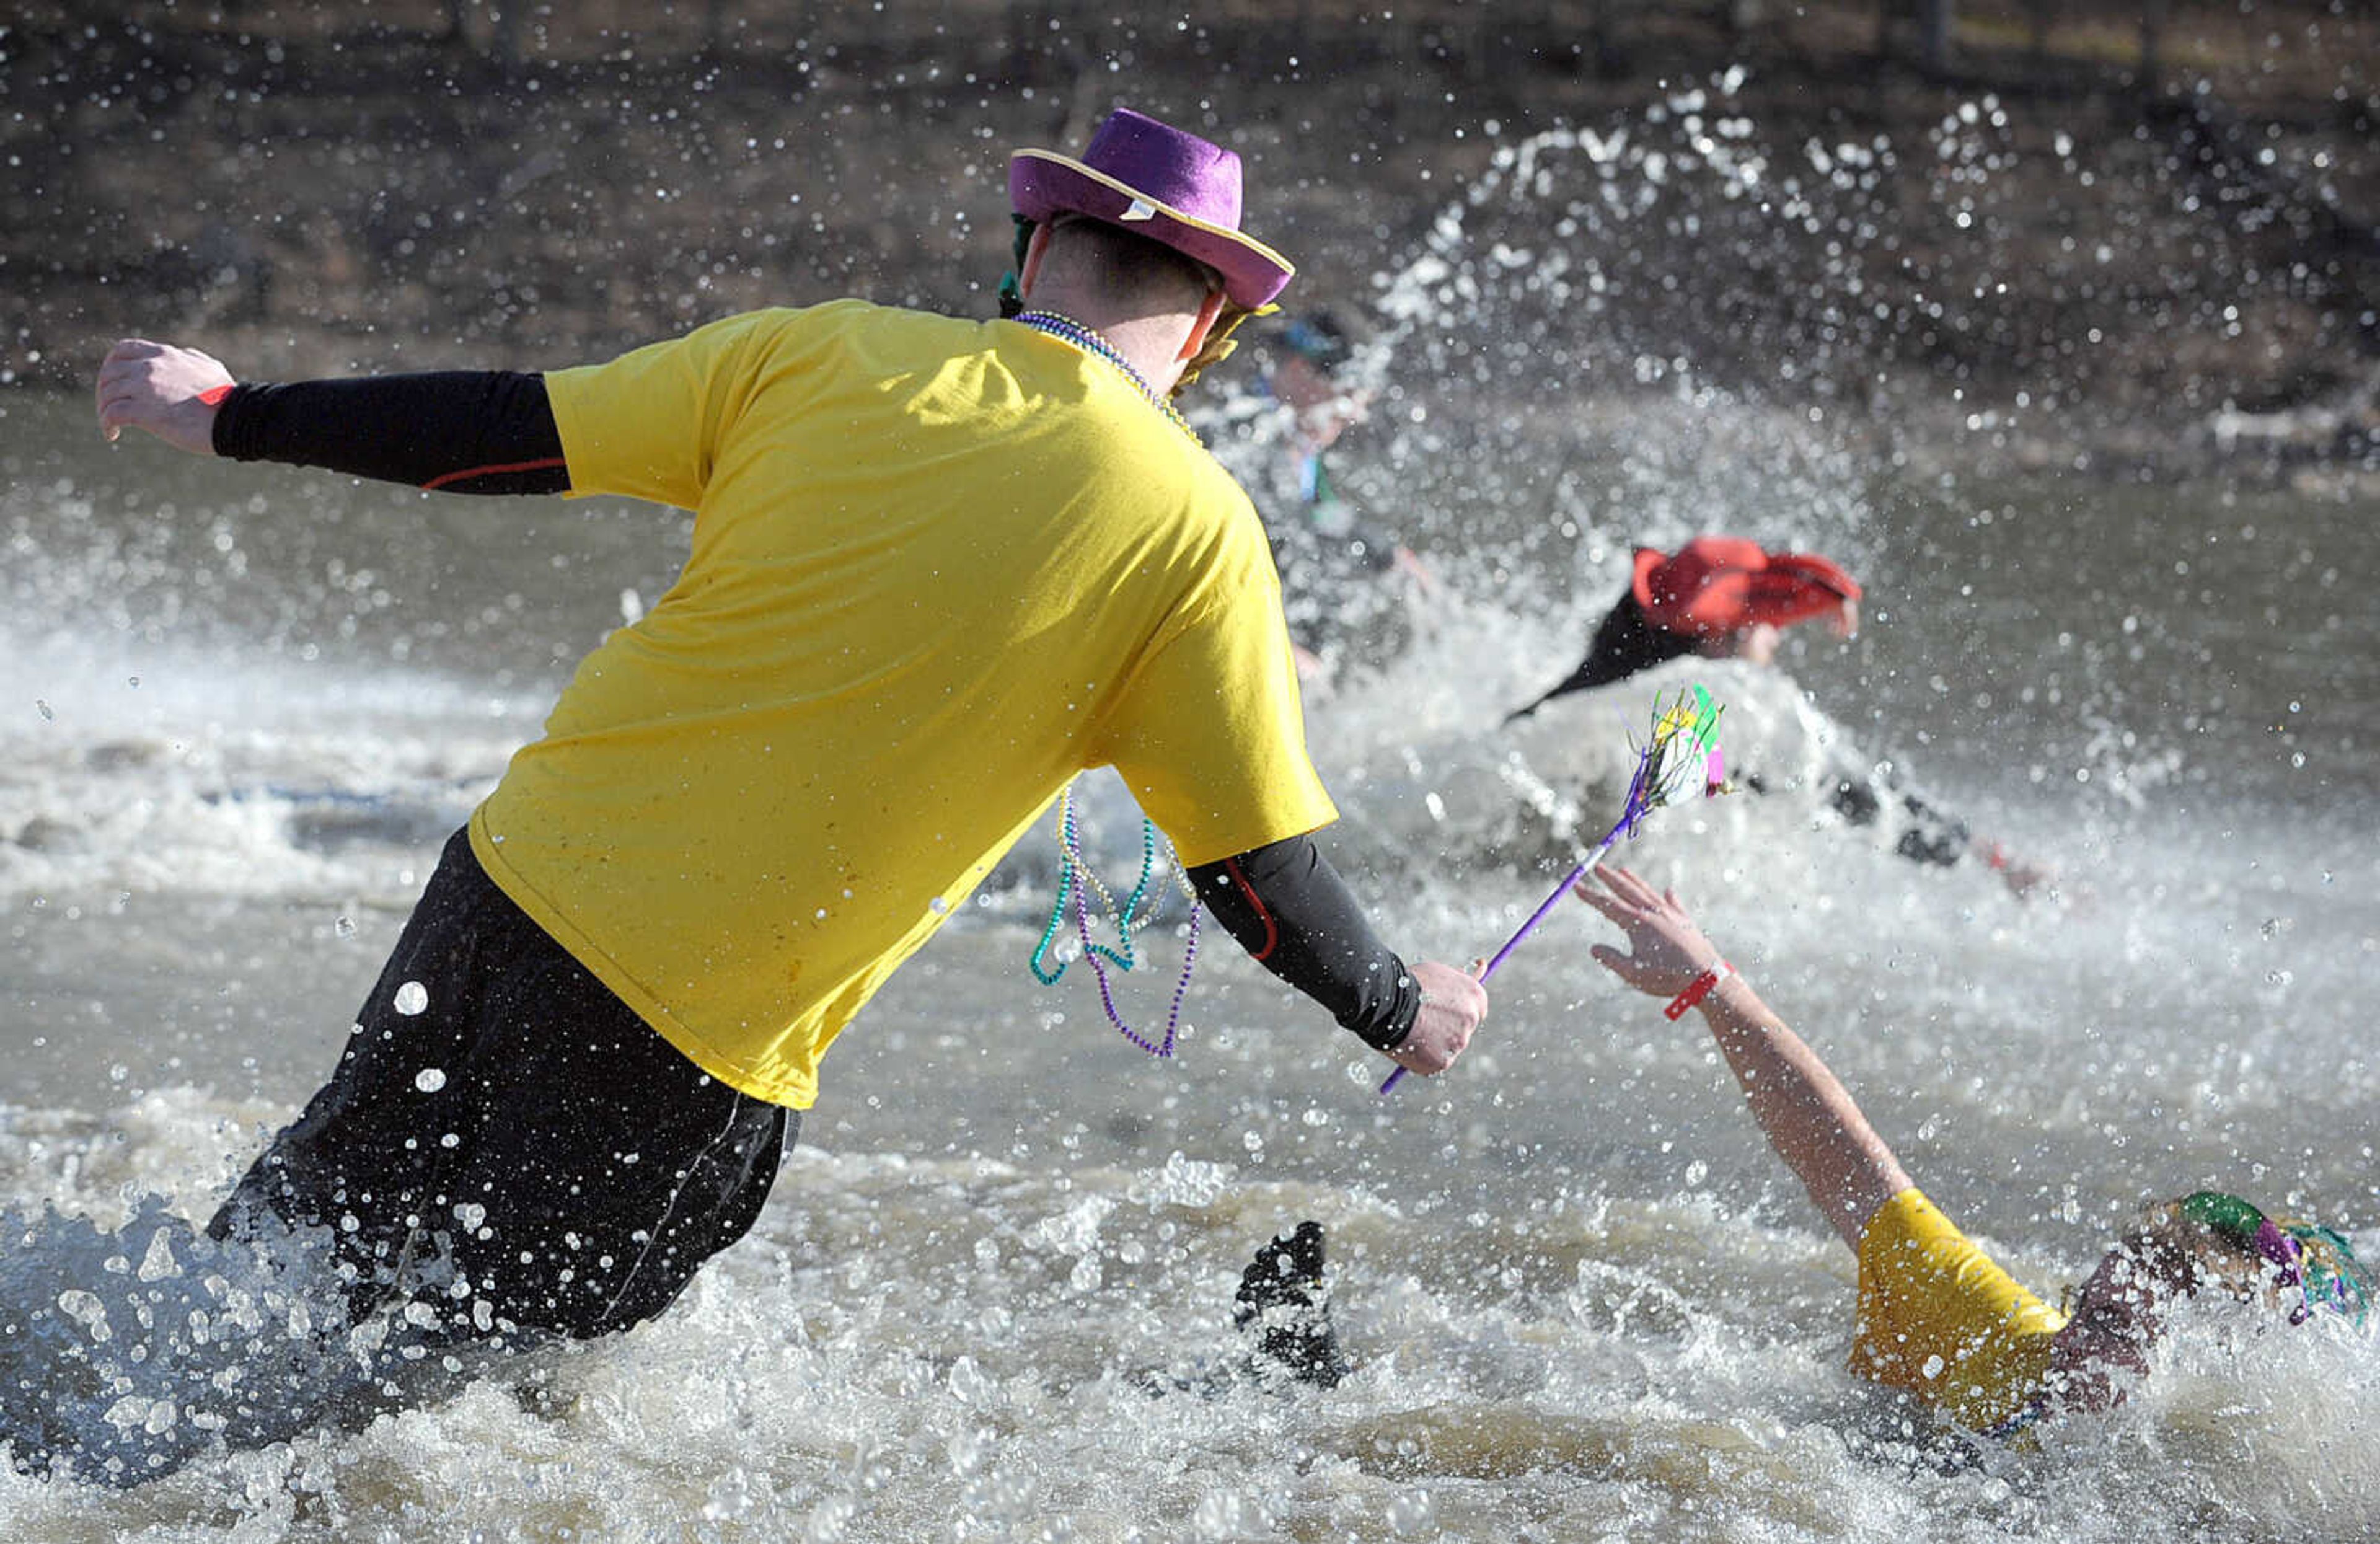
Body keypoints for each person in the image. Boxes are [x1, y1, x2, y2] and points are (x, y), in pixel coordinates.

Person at [86, 106, 1489, 1467]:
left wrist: (231, 411)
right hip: (695, 1032)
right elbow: (1255, 877)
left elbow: (504, 430)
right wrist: (1400, 1004)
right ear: (1207, 328)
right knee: (463, 1406)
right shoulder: (1194, 535)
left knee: (286, 1252)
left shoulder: (821, 350)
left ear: (1031, 249)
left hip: (508, 892)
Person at [1577, 863, 2368, 1438]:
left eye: (2120, 1333)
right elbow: (1851, 1168)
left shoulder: (2237, 1477)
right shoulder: (2007, 1342)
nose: (2075, 1350)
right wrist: (1714, 984)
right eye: (2088, 1311)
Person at [1512, 536, 2048, 896]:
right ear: (1723, 638)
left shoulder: (1608, 671)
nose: (1776, 637)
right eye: (1768, 623)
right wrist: (1988, 859)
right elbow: (1858, 798)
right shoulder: (1728, 708)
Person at [1240, 307, 1434, 680]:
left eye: (1362, 398)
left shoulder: (1300, 444)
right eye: (1346, 394)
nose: (1354, 415)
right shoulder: (1240, 440)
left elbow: (1315, 519)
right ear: (1298, 371)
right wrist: (1274, 645)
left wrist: (1385, 550)